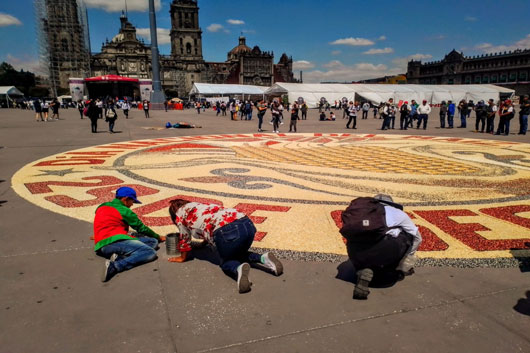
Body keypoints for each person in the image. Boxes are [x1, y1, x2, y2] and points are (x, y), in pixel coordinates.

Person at [168, 199, 283, 293]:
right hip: (247, 223)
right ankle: (263, 258)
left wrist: (182, 257)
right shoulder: (199, 205)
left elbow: (184, 238)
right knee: (238, 253)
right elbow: (205, 223)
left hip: (227, 231)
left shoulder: (179, 215)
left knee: (227, 262)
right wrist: (204, 242)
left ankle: (237, 269)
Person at [340, 194, 422, 300]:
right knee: (409, 236)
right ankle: (393, 268)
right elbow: (418, 238)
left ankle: (362, 269)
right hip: (385, 251)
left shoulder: (362, 212)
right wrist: (406, 260)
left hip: (355, 251)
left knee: (359, 238)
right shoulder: (398, 213)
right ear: (391, 204)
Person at [95, 187, 165, 282]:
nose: (132, 204)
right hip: (115, 241)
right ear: (125, 199)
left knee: (152, 241)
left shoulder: (102, 206)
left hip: (101, 244)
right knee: (150, 252)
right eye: (132, 201)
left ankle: (118, 256)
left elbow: (103, 223)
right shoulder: (124, 211)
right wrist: (158, 236)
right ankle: (115, 266)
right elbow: (141, 228)